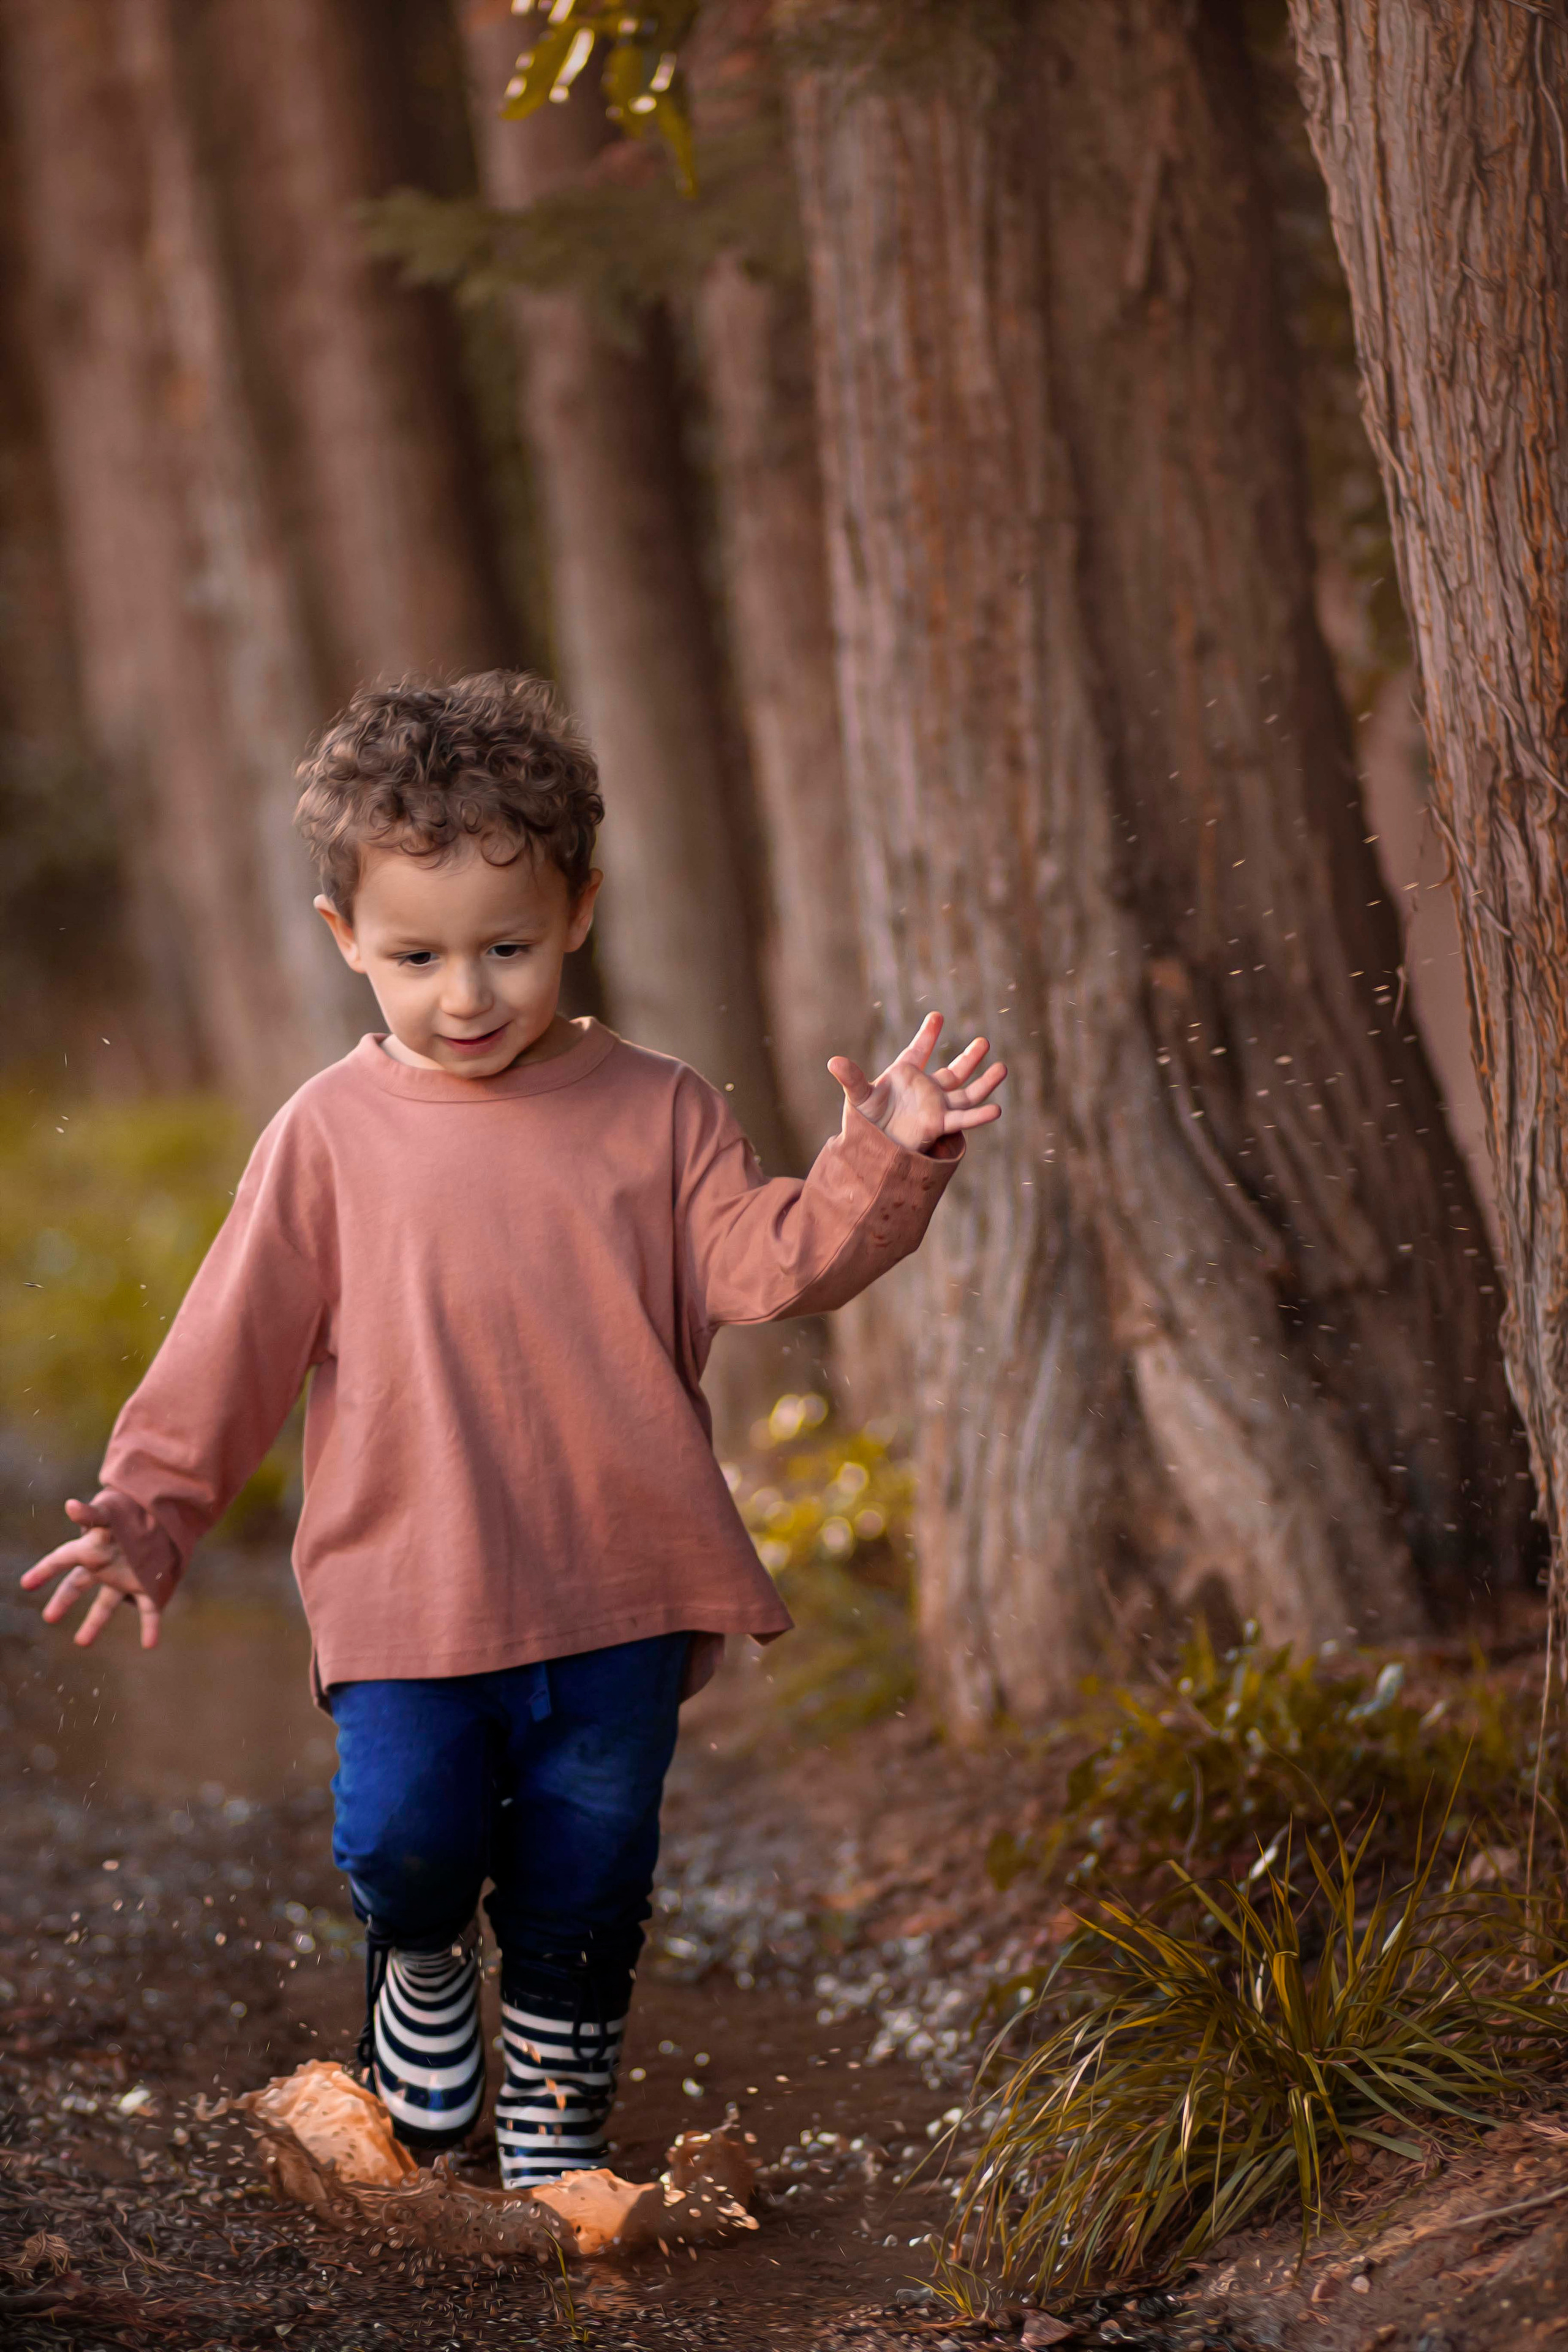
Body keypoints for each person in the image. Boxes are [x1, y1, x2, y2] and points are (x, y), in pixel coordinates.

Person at [18, 672, 1006, 2190]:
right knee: (408, 1844)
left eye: (507, 947)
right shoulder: (327, 1138)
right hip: (407, 1586)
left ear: (579, 912)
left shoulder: (659, 1110)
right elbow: (234, 1336)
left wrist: (882, 1155)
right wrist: (151, 1508)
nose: (465, 995)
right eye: (414, 956)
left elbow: (766, 1260)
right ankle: (418, 1975)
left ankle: (555, 2116)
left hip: (618, 1576)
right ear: (345, 938)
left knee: (587, 1870)